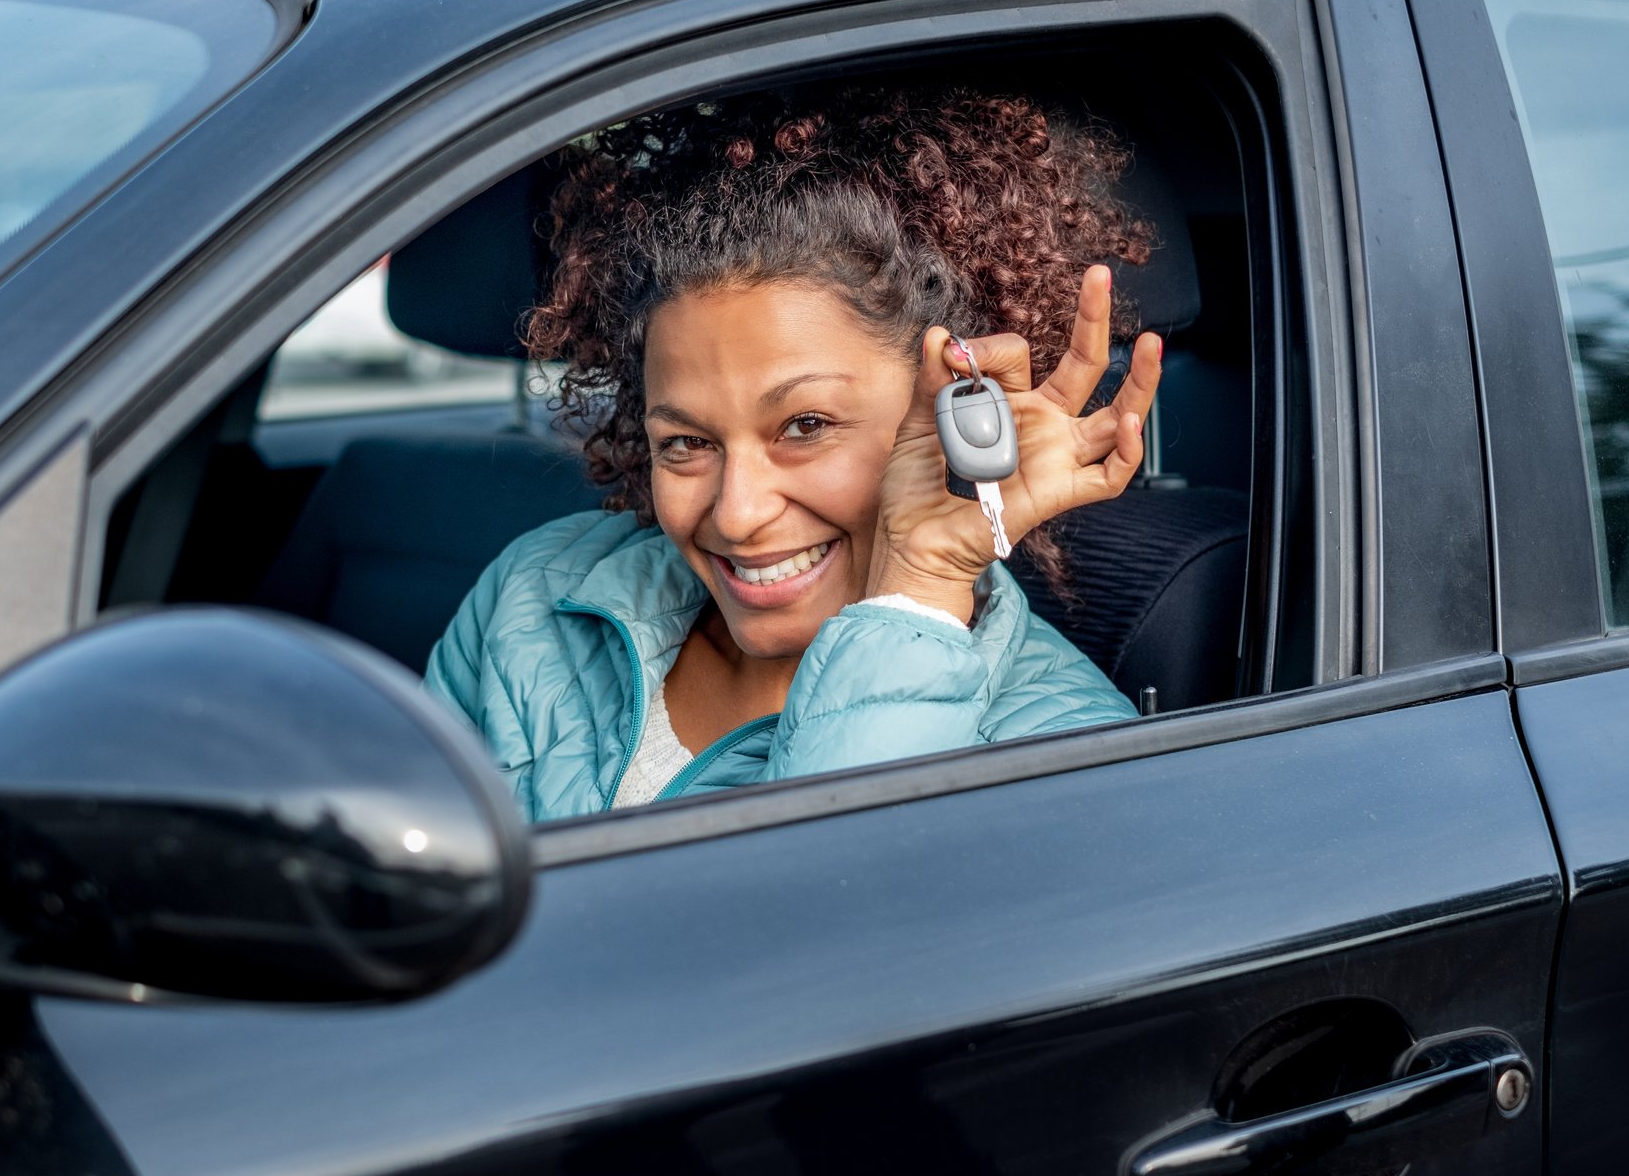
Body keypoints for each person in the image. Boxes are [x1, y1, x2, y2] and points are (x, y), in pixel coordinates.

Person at [424, 84, 1163, 821]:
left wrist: (919, 585)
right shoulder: (536, 596)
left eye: (804, 426)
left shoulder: (1065, 761)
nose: (738, 515)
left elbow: (810, 921)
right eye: (685, 442)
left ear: (951, 418)